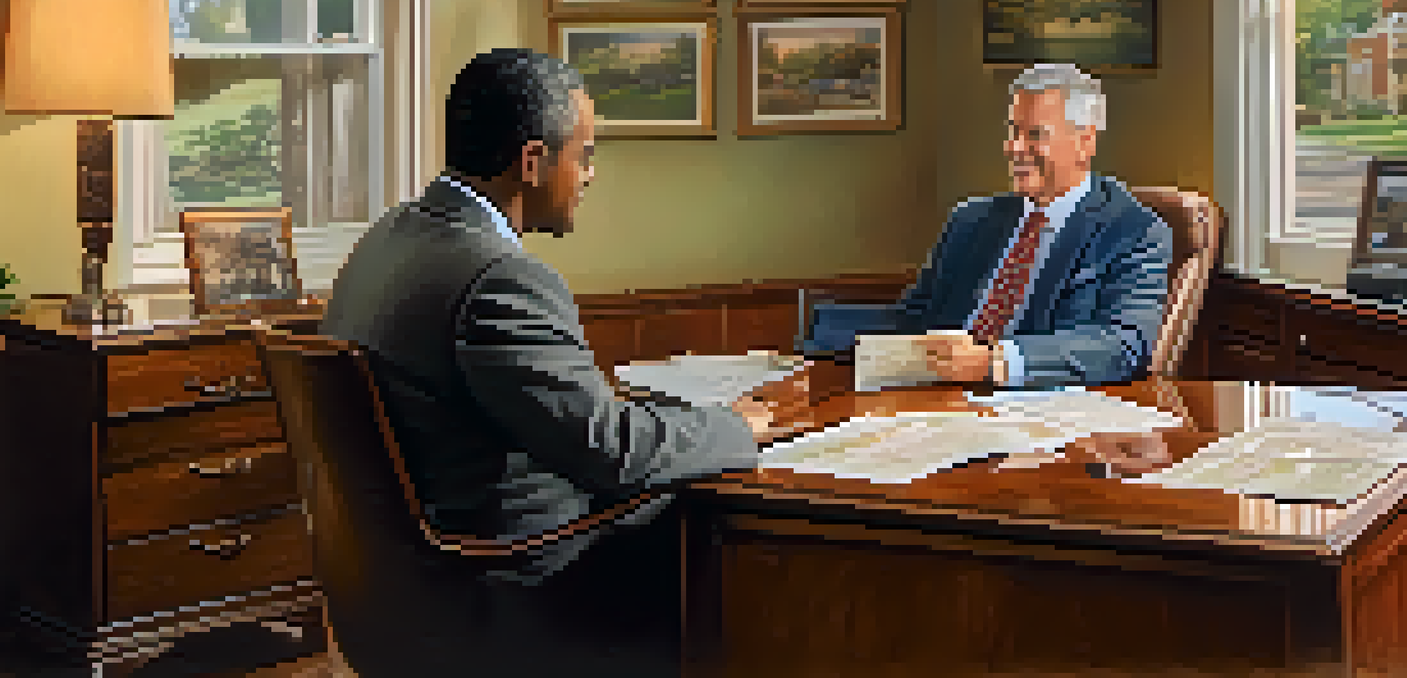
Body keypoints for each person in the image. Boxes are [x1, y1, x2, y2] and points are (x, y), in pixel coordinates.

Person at [321, 49, 772, 676]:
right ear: (532, 161)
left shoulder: (391, 238)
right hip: (512, 592)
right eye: (584, 154)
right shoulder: (500, 278)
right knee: (756, 562)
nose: (590, 174)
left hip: (390, 596)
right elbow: (611, 453)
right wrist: (733, 427)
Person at [804, 63, 1174, 387]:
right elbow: (913, 320)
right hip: (934, 404)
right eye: (1012, 131)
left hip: (1041, 417)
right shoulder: (971, 220)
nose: (1014, 148)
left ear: (1085, 141)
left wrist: (996, 362)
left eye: (1034, 134)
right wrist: (810, 337)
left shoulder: (1134, 232)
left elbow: (1121, 345)